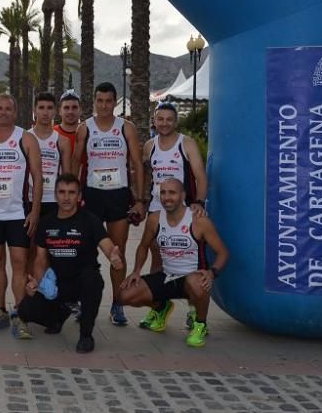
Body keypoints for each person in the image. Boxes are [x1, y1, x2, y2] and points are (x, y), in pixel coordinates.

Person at [18, 174, 125, 353]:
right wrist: (37, 283)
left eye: (71, 193)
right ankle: (59, 315)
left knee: (93, 281)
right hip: (58, 283)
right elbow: (40, 259)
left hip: (82, 281)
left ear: (79, 196)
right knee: (26, 310)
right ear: (55, 195)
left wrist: (114, 257)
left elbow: (107, 246)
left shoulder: (90, 220)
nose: (66, 197)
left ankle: (86, 336)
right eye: (62, 192)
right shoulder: (46, 223)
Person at [119, 178, 228, 347]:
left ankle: (200, 324)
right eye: (163, 193)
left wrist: (212, 272)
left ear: (183, 195)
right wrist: (136, 271)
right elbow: (143, 246)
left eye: (172, 192)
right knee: (124, 294)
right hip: (168, 276)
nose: (167, 197)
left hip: (192, 279)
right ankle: (161, 308)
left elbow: (223, 253)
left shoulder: (199, 221)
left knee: (198, 282)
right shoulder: (155, 219)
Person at [73, 82, 145, 327]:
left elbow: (136, 163)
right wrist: (73, 197)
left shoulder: (126, 128)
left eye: (108, 101)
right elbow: (75, 163)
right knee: (86, 253)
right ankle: (86, 303)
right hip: (92, 195)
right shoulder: (85, 128)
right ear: (94, 102)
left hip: (118, 196)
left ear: (115, 102)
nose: (104, 106)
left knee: (118, 251)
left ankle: (118, 303)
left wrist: (140, 200)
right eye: (99, 101)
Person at [0, 94, 42, 338]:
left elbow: (38, 177)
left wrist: (35, 211)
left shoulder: (26, 139)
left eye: (7, 108)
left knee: (20, 264)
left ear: (15, 111)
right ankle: (0, 310)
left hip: (18, 213)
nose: (3, 112)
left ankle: (21, 315)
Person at [142, 102, 208, 274]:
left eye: (169, 120)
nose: (164, 123)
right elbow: (143, 174)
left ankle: (191, 290)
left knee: (185, 253)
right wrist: (140, 201)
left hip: (183, 207)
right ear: (154, 121)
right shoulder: (149, 145)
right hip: (157, 206)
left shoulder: (187, 143)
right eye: (160, 119)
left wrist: (199, 202)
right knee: (156, 253)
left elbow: (201, 177)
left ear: (176, 122)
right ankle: (161, 299)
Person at [29, 92, 72, 221]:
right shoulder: (25, 138)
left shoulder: (63, 141)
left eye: (49, 108)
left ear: (55, 111)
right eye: (41, 108)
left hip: (53, 200)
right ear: (34, 111)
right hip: (29, 199)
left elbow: (67, 175)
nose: (45, 112)